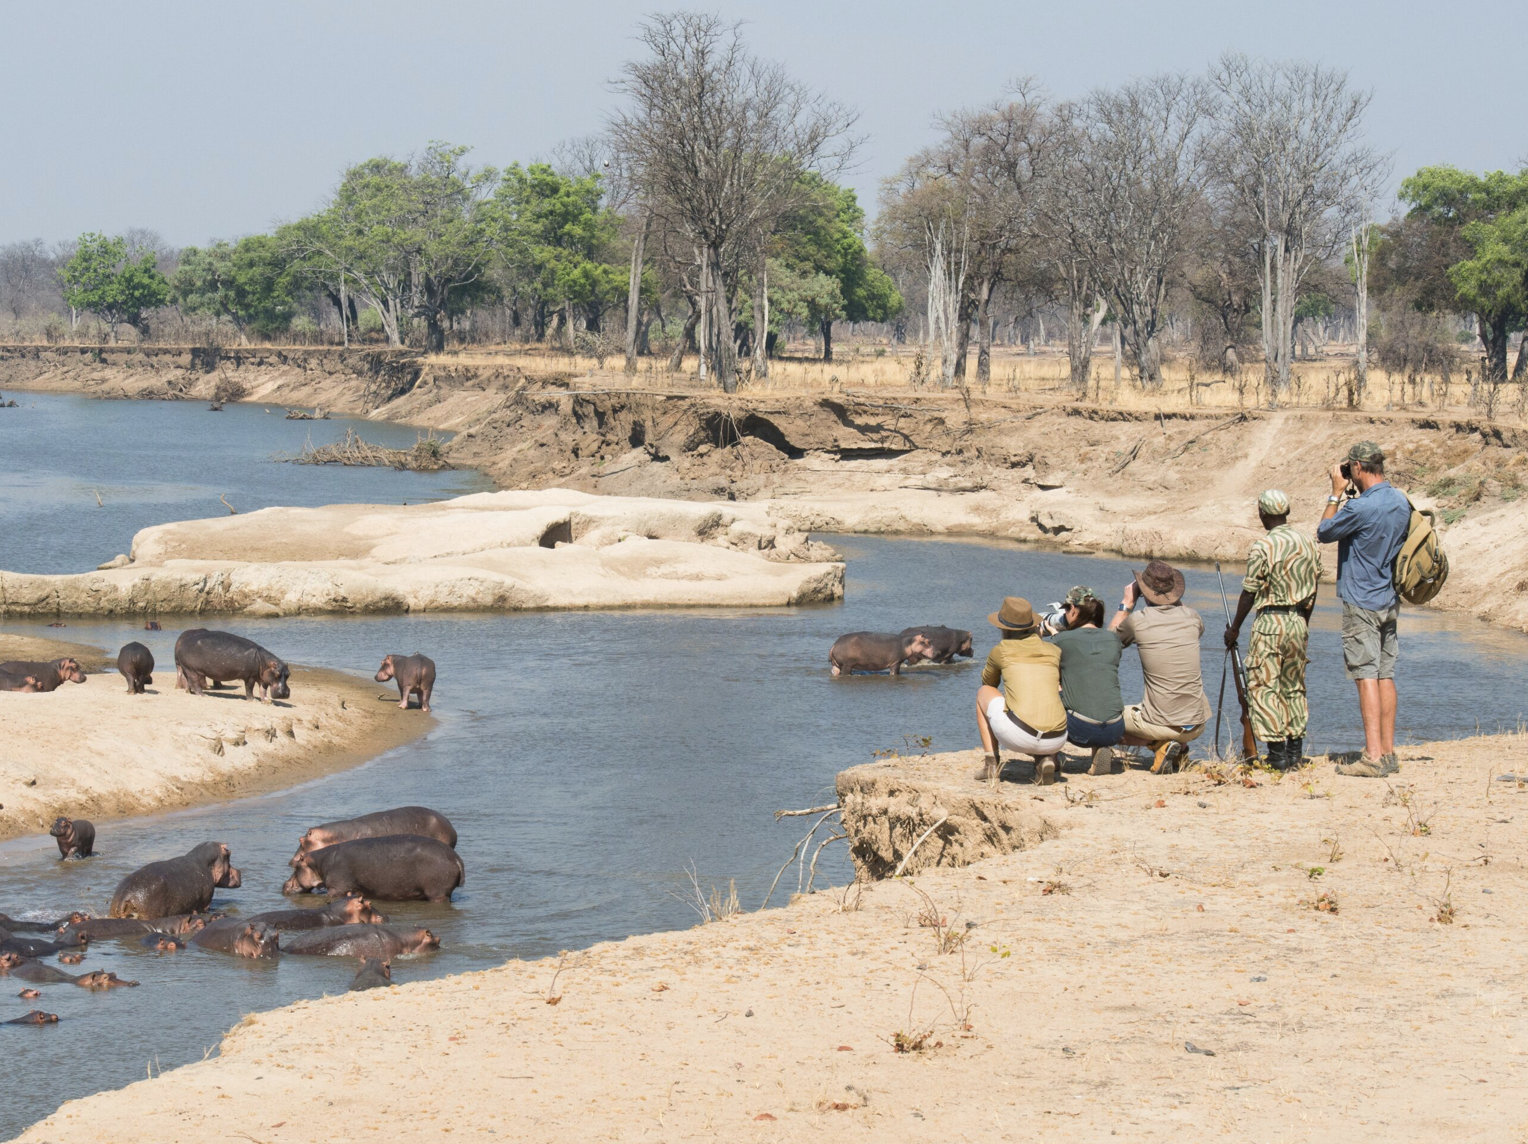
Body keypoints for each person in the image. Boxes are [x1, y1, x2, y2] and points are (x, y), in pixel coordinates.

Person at [1316, 441, 1411, 778]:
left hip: (1361, 600)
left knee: (1365, 675)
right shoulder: (1400, 501)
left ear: (1357, 467)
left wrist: (1335, 493)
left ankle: (1372, 756)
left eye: (1349, 469)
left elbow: (1324, 532)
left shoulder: (1360, 508)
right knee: (1386, 674)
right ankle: (1387, 751)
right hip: (1388, 598)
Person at [1224, 490, 1322, 770]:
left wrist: (1235, 628)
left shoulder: (1263, 546)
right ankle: (1294, 752)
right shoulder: (1309, 543)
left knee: (1265, 687)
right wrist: (1302, 623)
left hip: (1270, 621)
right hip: (1298, 621)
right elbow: (1312, 591)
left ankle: (1277, 756)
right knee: (1293, 686)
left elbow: (1249, 591)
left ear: (1263, 513)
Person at [1109, 560, 1212, 773]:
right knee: (1167, 711)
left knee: (1104, 720)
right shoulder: (1193, 616)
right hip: (1197, 724)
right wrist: (1172, 597)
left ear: (1143, 592)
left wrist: (1126, 603)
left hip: (1162, 723)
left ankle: (1158, 744)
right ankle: (1179, 747)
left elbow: (1105, 643)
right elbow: (1192, 629)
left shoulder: (1138, 620)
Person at [976, 596, 1069, 785]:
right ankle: (1045, 759)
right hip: (1058, 738)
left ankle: (991, 765)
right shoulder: (1053, 650)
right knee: (1044, 695)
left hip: (1019, 736)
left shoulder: (1001, 649)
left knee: (983, 692)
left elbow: (988, 682)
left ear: (1003, 628)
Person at [1048, 588, 1126, 776]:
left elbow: (1052, 677)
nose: (1066, 614)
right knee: (1096, 687)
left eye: (1067, 610)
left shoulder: (1061, 640)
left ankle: (1049, 757)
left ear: (1073, 610)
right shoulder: (1114, 640)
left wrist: (1053, 636)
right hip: (1115, 729)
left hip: (1079, 729)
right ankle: (1100, 747)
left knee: (1050, 689)